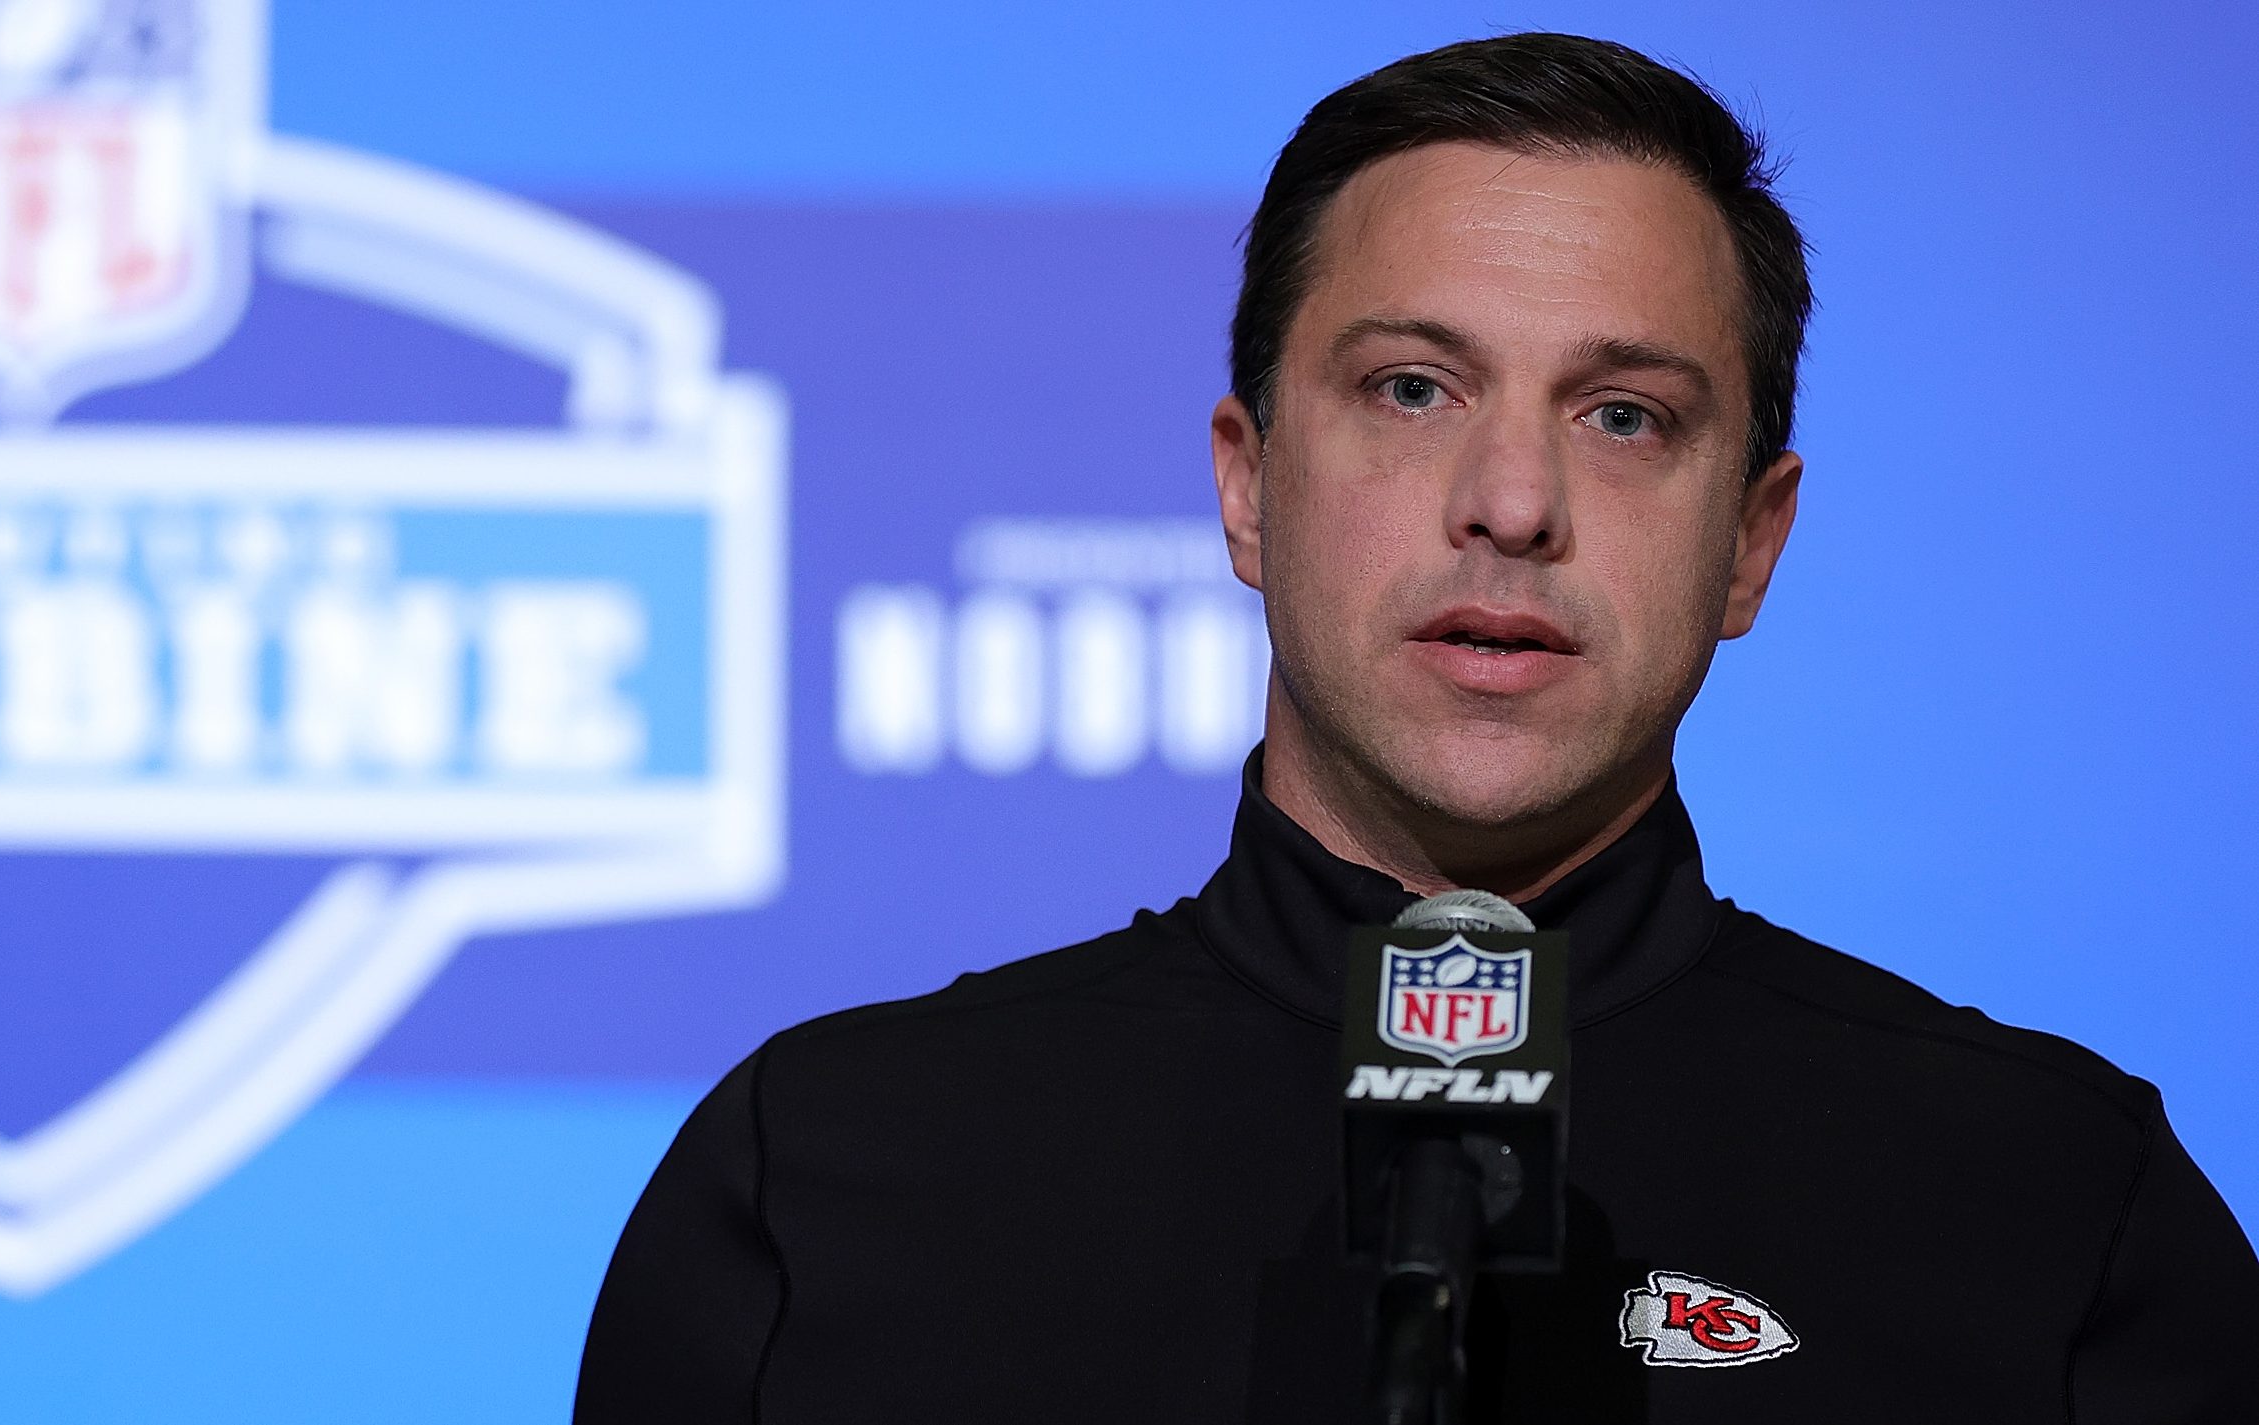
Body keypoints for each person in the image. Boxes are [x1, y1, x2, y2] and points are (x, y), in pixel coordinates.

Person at [573, 33, 2259, 1423]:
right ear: (1246, 485)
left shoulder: (2051, 1208)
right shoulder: (825, 1178)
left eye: (1623, 415)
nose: (1511, 501)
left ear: (1751, 542)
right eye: (1409, 388)